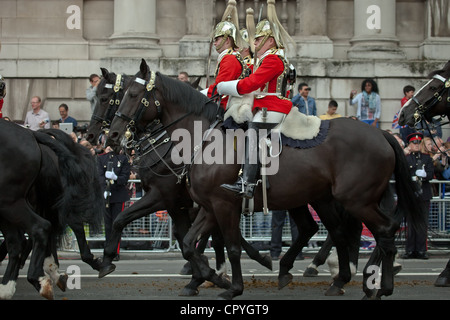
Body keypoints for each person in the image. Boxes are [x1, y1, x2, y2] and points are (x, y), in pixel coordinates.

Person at [217, 0, 295, 198]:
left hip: (273, 106)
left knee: (253, 131)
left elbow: (252, 83)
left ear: (270, 40)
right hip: (264, 105)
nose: (255, 42)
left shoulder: (273, 59)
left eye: (259, 38)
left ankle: (247, 183)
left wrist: (227, 87)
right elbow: (250, 77)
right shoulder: (267, 59)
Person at [201, 0, 248, 110]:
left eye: (217, 39)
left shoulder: (230, 59)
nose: (215, 43)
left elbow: (220, 87)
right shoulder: (229, 56)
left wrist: (199, 94)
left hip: (228, 104)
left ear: (227, 40)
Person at [401, 132, 433, 259]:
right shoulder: (406, 159)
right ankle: (410, 250)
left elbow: (431, 174)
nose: (417, 145)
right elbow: (402, 174)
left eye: (418, 143)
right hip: (411, 195)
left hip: (423, 195)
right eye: (414, 143)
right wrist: (412, 177)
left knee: (422, 224)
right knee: (410, 223)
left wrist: (425, 175)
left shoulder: (426, 158)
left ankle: (421, 250)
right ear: (409, 144)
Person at [97, 145, 131, 260]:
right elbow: (100, 176)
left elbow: (125, 178)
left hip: (118, 195)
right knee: (107, 225)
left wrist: (115, 177)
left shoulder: (123, 159)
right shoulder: (101, 158)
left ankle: (115, 252)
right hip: (106, 195)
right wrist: (104, 190)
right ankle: (107, 251)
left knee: (116, 224)